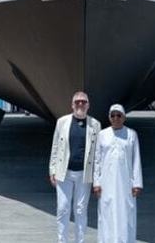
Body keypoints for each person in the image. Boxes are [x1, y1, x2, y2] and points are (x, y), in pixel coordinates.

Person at [48, 91, 100, 243]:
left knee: (80, 210)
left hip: (84, 174)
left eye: (84, 102)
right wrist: (52, 170)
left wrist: (97, 178)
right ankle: (62, 241)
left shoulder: (95, 125)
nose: (80, 104)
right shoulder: (62, 122)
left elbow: (97, 153)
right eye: (77, 101)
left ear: (88, 105)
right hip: (64, 173)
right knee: (63, 209)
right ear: (72, 105)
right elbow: (55, 147)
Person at [93, 104, 142, 243]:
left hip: (126, 184)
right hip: (106, 184)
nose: (116, 118)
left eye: (119, 115)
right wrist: (96, 183)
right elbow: (97, 160)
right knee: (107, 215)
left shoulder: (131, 134)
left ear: (124, 117)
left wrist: (137, 183)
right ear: (109, 118)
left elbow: (136, 160)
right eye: (113, 115)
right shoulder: (102, 135)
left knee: (125, 215)